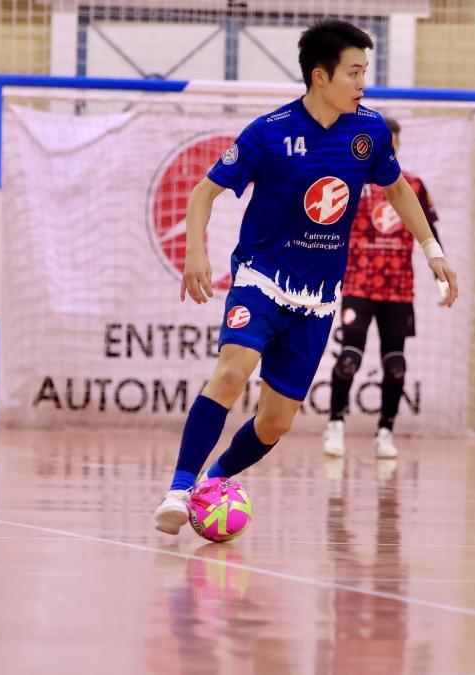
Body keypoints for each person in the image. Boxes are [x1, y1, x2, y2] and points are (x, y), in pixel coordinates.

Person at [153, 19, 459, 535]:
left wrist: (431, 249)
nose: (363, 83)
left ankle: (214, 481)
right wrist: (194, 254)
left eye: (366, 72)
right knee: (232, 370)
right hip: (262, 278)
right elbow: (202, 193)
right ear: (321, 76)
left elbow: (399, 189)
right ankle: (180, 490)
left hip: (318, 297)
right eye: (354, 72)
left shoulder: (369, 131)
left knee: (276, 422)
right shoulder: (268, 133)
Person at [322, 116, 443, 459]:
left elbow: (430, 232)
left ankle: (385, 432)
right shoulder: (350, 181)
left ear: (398, 145)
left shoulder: (413, 186)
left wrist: (440, 272)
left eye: (393, 141)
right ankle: (335, 425)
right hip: (359, 284)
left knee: (396, 365)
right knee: (349, 358)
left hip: (398, 289)